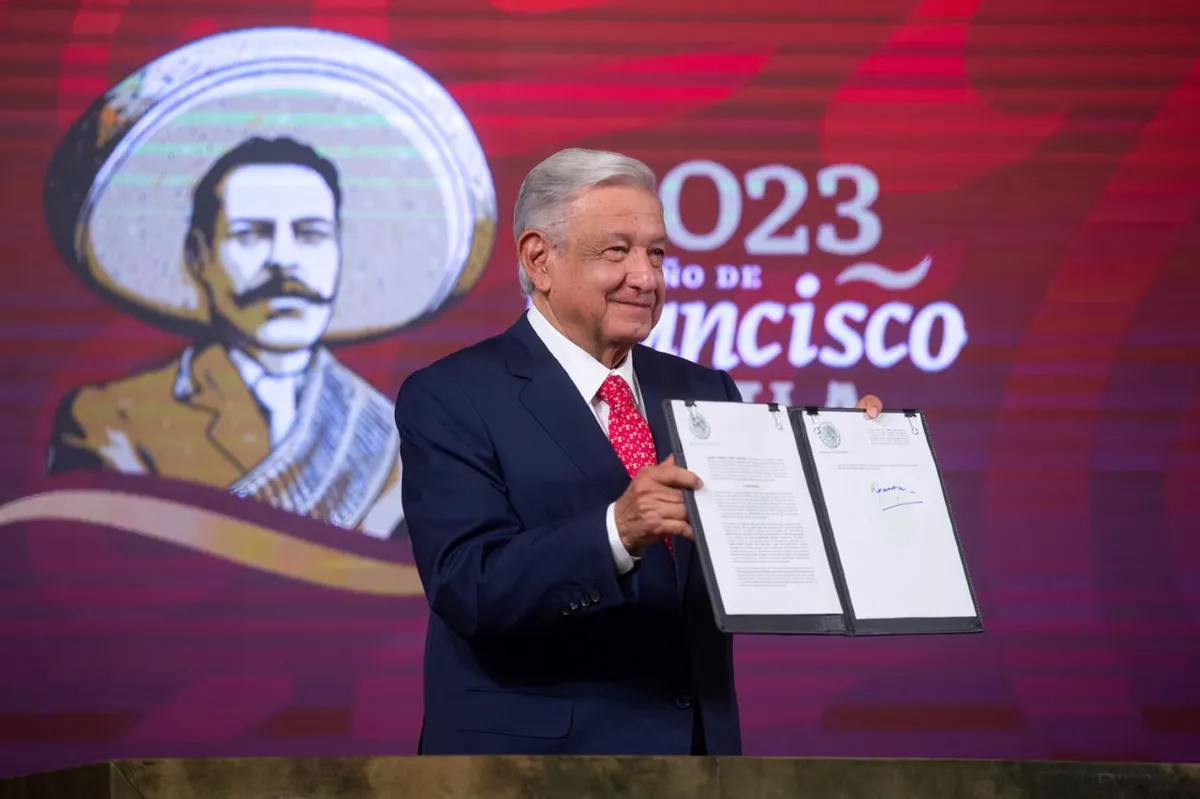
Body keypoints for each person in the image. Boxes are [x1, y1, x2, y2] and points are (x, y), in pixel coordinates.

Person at [394, 147, 883, 755]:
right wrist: (616, 533)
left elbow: (764, 545)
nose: (646, 278)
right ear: (539, 259)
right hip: (530, 768)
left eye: (655, 253)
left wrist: (852, 474)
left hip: (693, 763)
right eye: (616, 251)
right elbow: (467, 586)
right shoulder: (451, 396)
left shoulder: (706, 390)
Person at [46, 136, 403, 537]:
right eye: (251, 234)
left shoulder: (395, 436)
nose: (283, 260)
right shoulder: (115, 421)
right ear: (200, 256)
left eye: (310, 233)